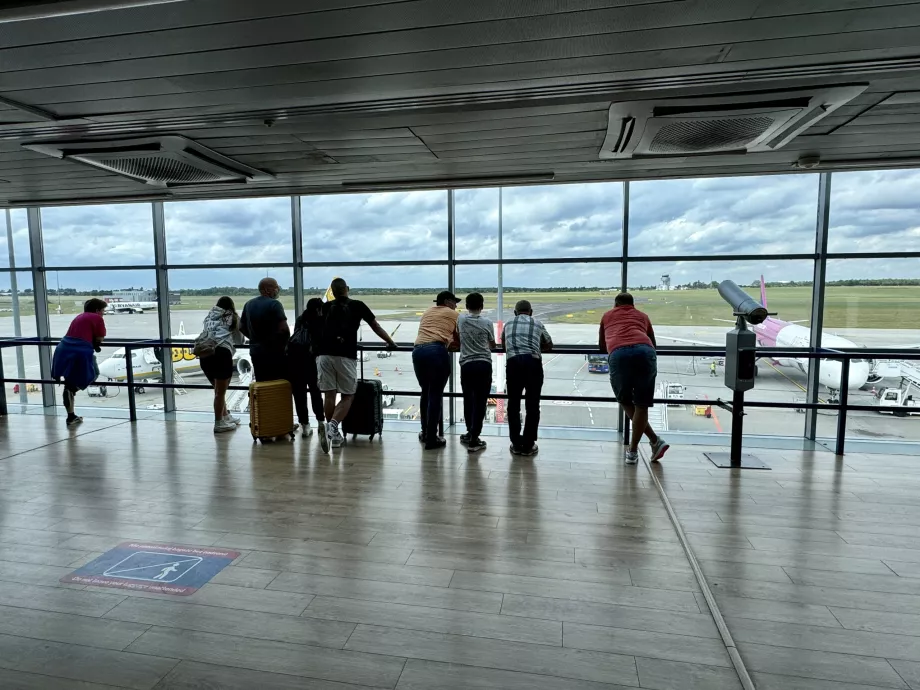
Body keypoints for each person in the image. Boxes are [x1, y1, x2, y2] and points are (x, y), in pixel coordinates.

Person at [315, 278, 397, 452]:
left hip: (323, 354)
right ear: (347, 289)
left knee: (329, 395)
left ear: (333, 292)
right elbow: (375, 325)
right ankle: (332, 427)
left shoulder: (326, 307)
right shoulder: (357, 305)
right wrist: (390, 341)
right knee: (348, 395)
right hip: (344, 355)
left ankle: (333, 435)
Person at [599, 293, 669, 465]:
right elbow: (653, 342)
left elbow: (602, 345)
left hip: (619, 353)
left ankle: (648, 444)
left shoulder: (607, 316)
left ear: (615, 304)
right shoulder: (642, 316)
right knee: (642, 404)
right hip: (645, 352)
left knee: (624, 399)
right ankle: (637, 449)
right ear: (633, 304)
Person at [501, 300, 552, 456]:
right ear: (531, 311)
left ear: (515, 312)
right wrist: (537, 348)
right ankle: (529, 444)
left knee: (513, 404)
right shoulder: (537, 323)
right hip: (532, 363)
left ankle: (516, 443)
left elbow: (504, 345)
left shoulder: (508, 323)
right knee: (532, 405)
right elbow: (549, 344)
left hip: (514, 363)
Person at [413, 290, 461, 450]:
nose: (455, 306)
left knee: (425, 392)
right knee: (435, 394)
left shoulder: (427, 312)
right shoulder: (454, 314)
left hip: (418, 351)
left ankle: (425, 432)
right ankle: (432, 439)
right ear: (448, 302)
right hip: (436, 352)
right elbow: (458, 338)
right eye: (455, 302)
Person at [51, 298, 107, 427]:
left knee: (68, 383)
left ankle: (71, 415)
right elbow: (99, 338)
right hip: (80, 351)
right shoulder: (97, 318)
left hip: (63, 348)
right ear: (97, 310)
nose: (104, 313)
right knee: (94, 373)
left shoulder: (79, 317)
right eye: (103, 310)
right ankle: (74, 388)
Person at [199, 296, 243, 434]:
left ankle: (225, 415)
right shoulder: (232, 317)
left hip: (205, 354)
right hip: (221, 354)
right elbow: (240, 340)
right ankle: (219, 422)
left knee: (218, 391)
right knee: (220, 392)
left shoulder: (209, 317)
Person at [458, 292, 495, 454]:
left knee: (468, 400)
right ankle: (475, 438)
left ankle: (469, 431)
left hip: (467, 365)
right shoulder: (487, 322)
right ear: (482, 306)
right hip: (484, 364)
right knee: (481, 402)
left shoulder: (461, 319)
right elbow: (492, 345)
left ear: (466, 306)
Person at [287, 298, 326, 439]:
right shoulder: (320, 321)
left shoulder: (300, 319)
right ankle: (321, 422)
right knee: (316, 393)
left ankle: (305, 426)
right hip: (311, 362)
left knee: (299, 395)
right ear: (318, 309)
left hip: (294, 362)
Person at [239, 277, 290, 383]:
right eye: (276, 287)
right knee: (278, 385)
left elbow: (241, 327)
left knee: (262, 384)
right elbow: (284, 329)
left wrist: (255, 339)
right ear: (267, 289)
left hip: (256, 352)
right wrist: (284, 346)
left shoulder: (248, 304)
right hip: (274, 353)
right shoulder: (274, 304)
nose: (278, 289)